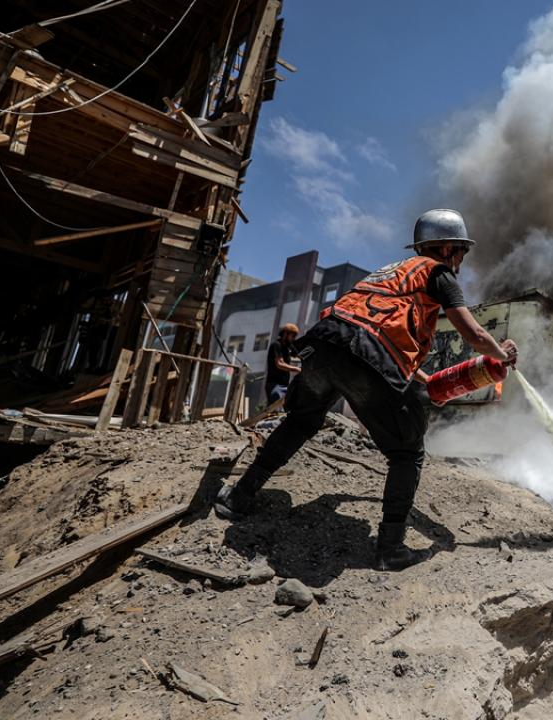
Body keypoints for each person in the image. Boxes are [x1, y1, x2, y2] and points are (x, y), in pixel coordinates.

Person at [215, 209, 518, 570]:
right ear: (449, 248)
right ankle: (390, 549)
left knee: (299, 423)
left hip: (326, 345)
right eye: (462, 253)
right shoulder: (438, 273)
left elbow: (378, 334)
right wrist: (503, 355)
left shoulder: (391, 272)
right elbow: (475, 334)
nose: (461, 261)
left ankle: (238, 497)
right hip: (363, 355)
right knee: (407, 453)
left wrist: (426, 380)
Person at [264, 323, 301, 403]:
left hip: (285, 386)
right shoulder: (276, 345)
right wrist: (297, 369)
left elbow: (300, 355)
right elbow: (279, 364)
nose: (294, 339)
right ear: (285, 334)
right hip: (275, 385)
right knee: (274, 411)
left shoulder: (288, 347)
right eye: (293, 336)